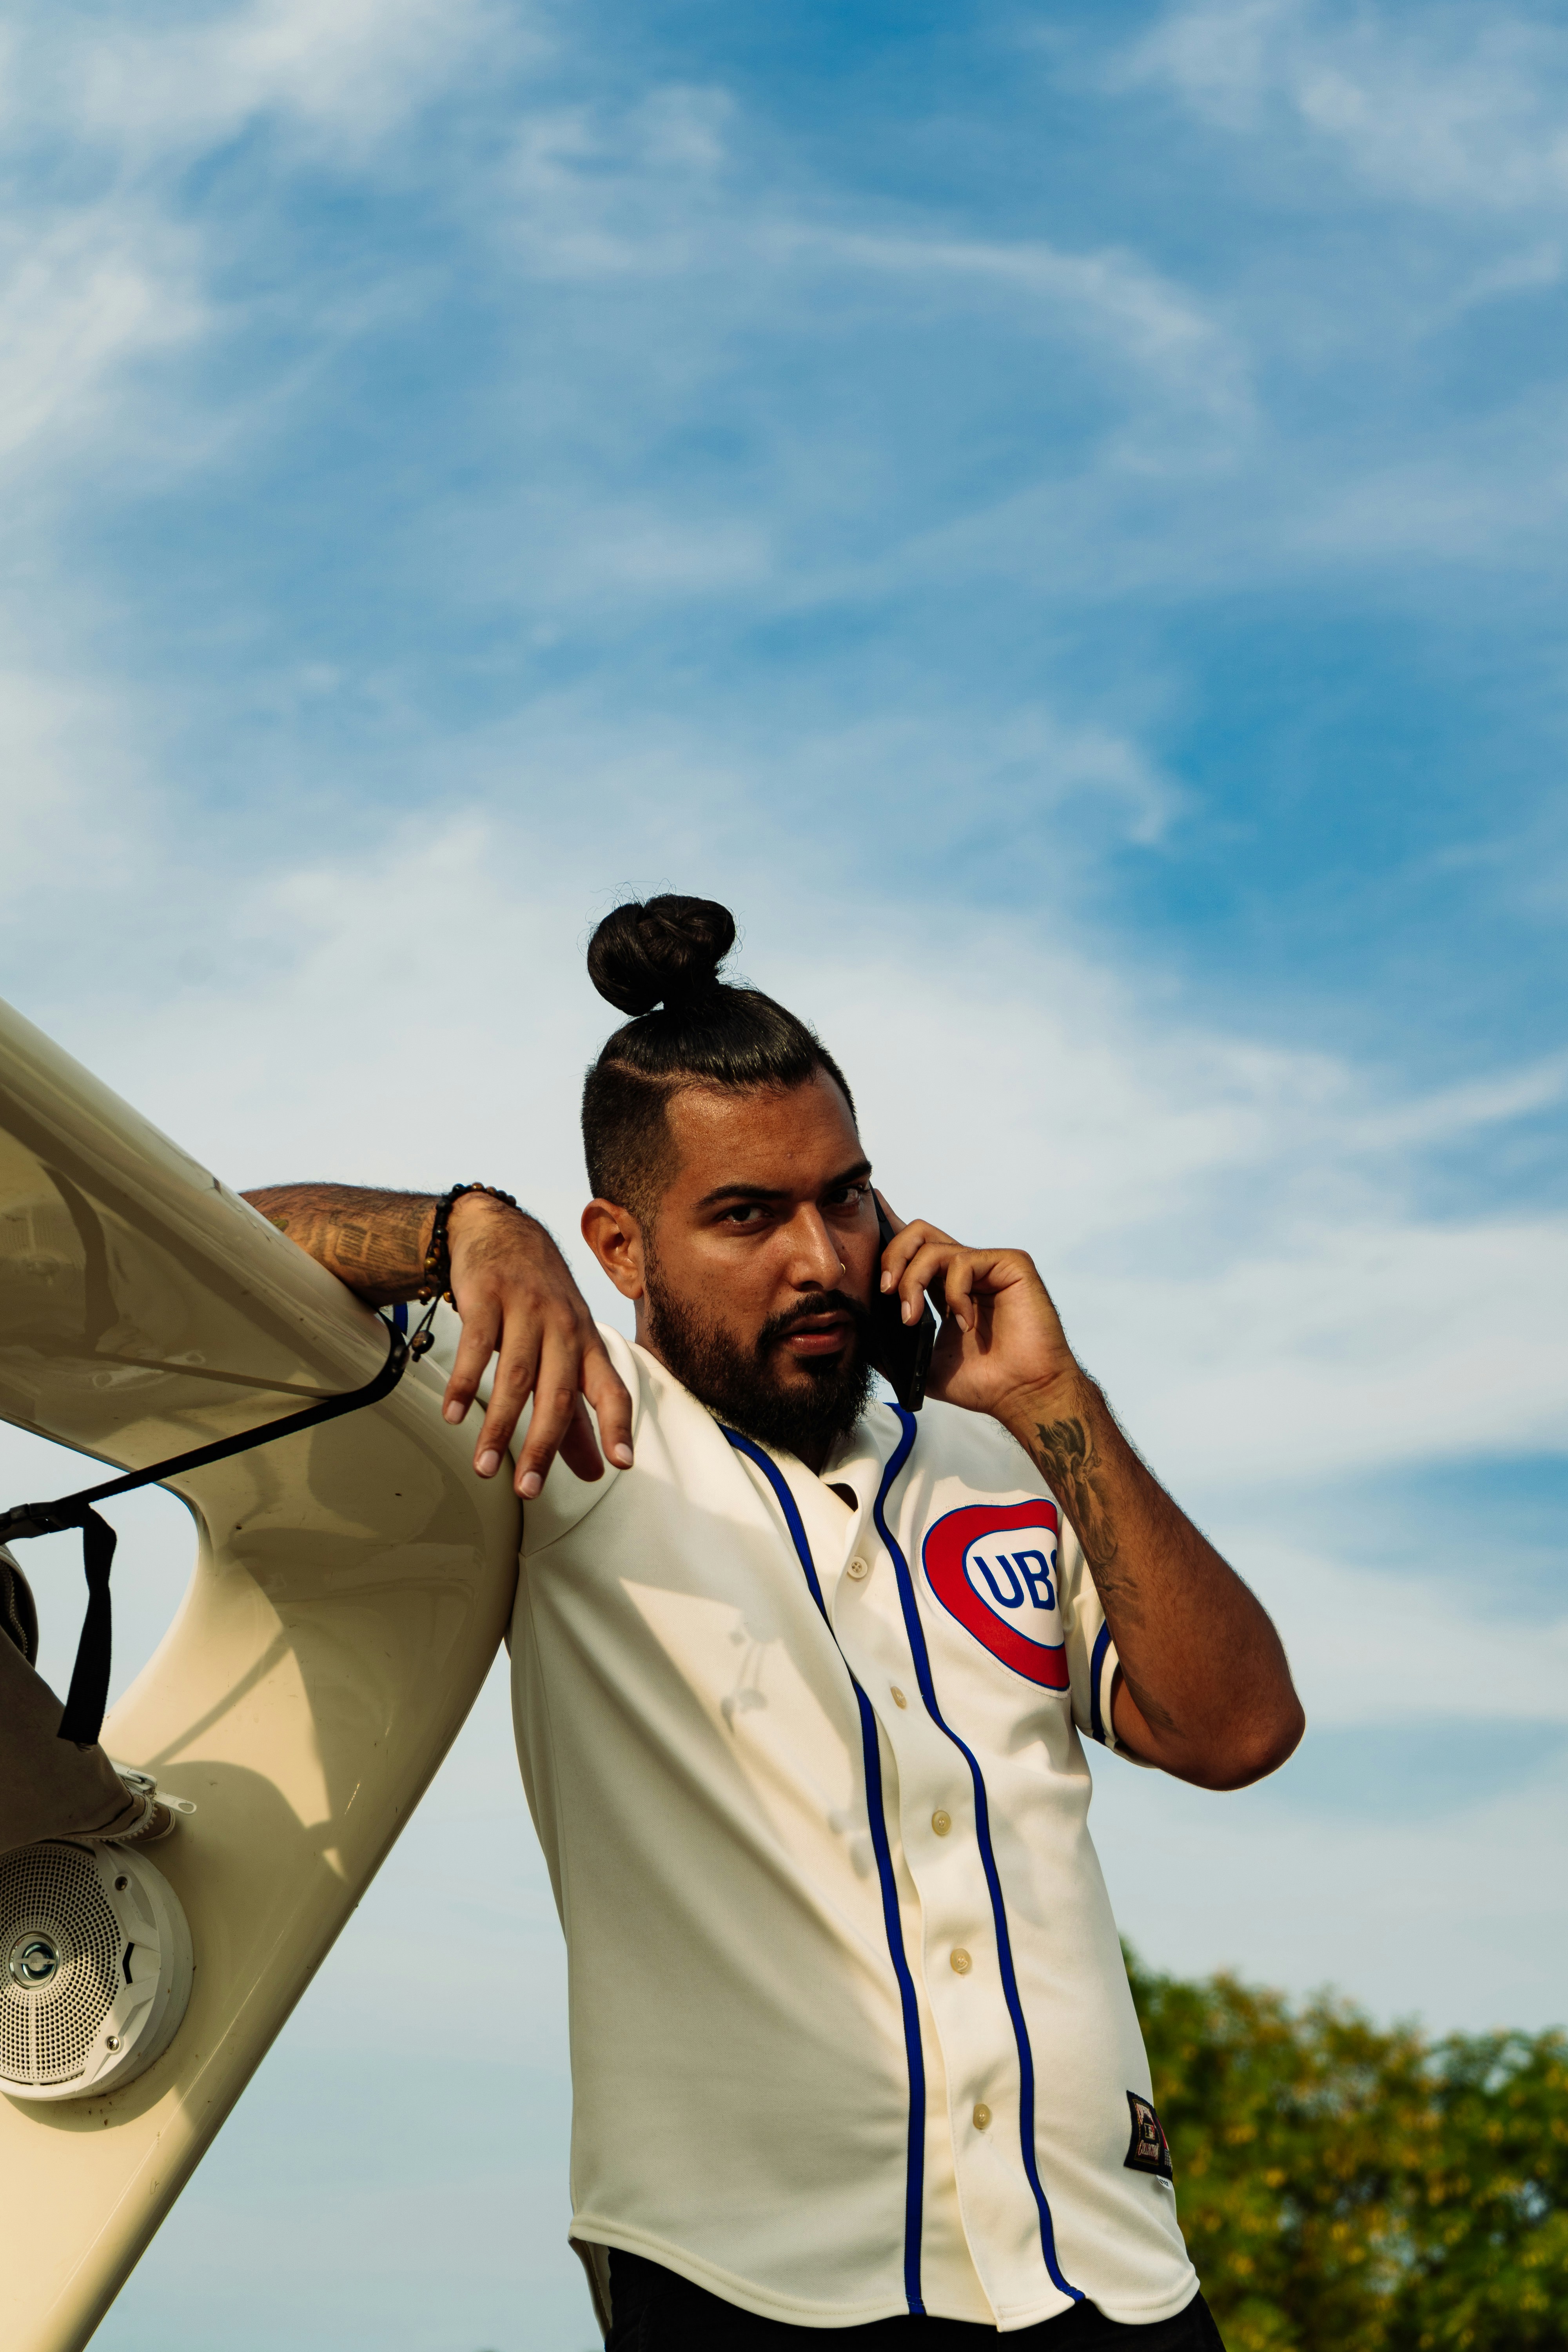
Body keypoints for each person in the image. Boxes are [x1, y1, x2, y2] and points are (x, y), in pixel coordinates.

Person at [245, 895, 1304, 2348]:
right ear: (619, 1245)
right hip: (756, 2285)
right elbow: (198, 1252)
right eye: (747, 1216)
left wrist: (1057, 1407)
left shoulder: (998, 1457)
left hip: (1109, 2276)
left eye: (847, 1196)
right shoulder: (563, 1424)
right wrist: (460, 1232)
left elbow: (1239, 1727)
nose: (822, 1255)